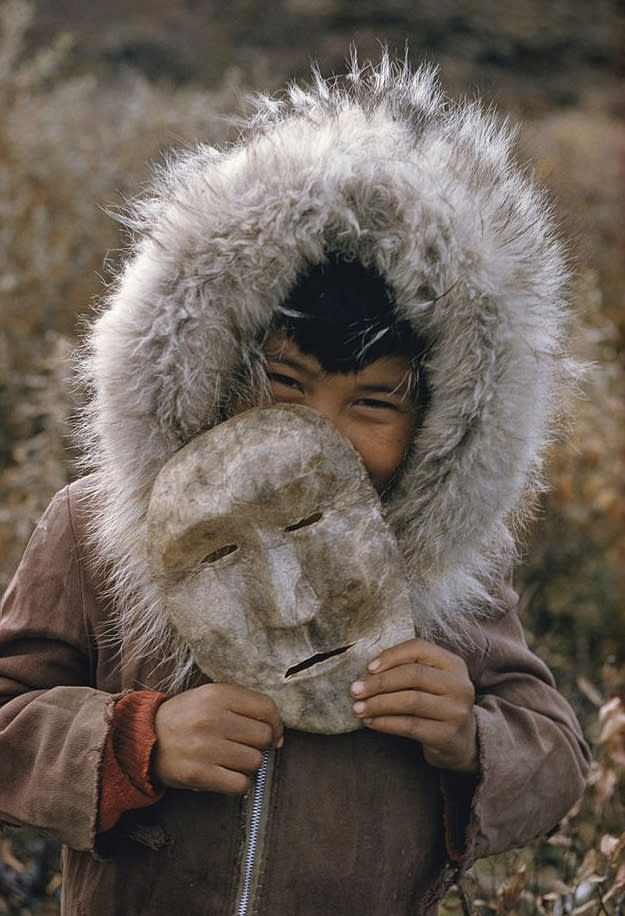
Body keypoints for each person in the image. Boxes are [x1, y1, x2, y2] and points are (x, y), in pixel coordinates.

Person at [0, 54, 590, 916]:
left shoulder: (452, 564)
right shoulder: (94, 527)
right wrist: (135, 741)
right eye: (282, 383)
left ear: (439, 419)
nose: (318, 434)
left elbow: (554, 753)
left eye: (372, 402)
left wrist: (470, 738)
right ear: (211, 369)